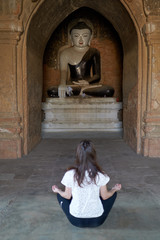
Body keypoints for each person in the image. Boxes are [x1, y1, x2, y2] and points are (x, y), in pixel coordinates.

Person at [52, 140, 121, 228]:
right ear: (94, 155)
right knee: (113, 194)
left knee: (60, 195)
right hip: (97, 220)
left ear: (78, 155)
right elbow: (105, 196)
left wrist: (58, 190)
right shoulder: (100, 174)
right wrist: (114, 189)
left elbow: (67, 196)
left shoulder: (70, 173)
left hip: (76, 221)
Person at [47, 21, 114, 98]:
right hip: (72, 85)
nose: (81, 40)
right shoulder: (65, 53)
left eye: (85, 36)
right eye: (76, 36)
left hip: (89, 85)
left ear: (90, 37)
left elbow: (97, 75)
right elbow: (63, 71)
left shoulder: (94, 52)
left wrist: (87, 82)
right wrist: (62, 84)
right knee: (52, 91)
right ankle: (83, 92)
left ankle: (84, 91)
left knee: (108, 91)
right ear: (71, 37)